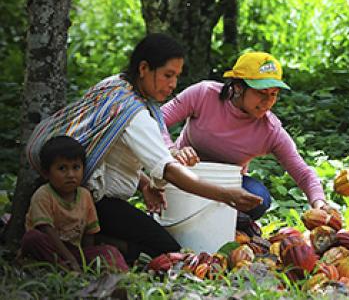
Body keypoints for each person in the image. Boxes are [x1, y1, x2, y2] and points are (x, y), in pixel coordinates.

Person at [26, 34, 260, 263]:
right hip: (96, 202)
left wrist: (144, 183)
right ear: (144, 68)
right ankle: (101, 247)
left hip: (79, 193)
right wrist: (226, 195)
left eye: (177, 76)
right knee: (167, 250)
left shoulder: (115, 85)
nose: (173, 84)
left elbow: (109, 155)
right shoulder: (135, 114)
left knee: (154, 240)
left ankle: (99, 243)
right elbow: (169, 170)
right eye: (168, 75)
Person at [161, 51, 329, 233]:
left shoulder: (269, 130)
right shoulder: (204, 94)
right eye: (261, 93)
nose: (267, 101)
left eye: (273, 94)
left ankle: (228, 226)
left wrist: (320, 204)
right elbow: (157, 119)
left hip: (227, 186)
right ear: (239, 87)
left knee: (258, 198)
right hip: (182, 174)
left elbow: (303, 172)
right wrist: (172, 150)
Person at [21, 136, 128, 271]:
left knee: (109, 251)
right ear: (46, 173)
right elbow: (46, 230)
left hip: (75, 251)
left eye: (76, 167)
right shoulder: (43, 195)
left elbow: (90, 232)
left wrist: (85, 259)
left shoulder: (84, 195)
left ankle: (121, 277)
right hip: (51, 248)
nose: (71, 174)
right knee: (32, 238)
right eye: (62, 168)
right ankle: (66, 269)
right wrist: (70, 260)